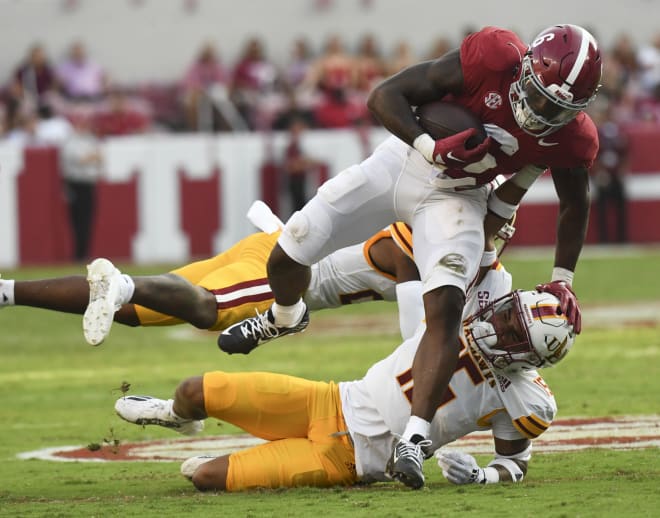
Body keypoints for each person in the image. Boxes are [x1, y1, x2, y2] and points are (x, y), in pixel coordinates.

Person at [217, 24, 602, 490]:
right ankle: (284, 315)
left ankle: (414, 439)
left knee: (445, 305)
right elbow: (384, 96)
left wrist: (563, 277)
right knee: (292, 244)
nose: (543, 113)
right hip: (404, 159)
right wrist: (429, 143)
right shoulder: (492, 55)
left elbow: (575, 202)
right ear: (524, 70)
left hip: (459, 195)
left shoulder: (573, 137)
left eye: (558, 109)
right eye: (540, 98)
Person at [114, 287, 575, 492]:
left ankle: (214, 453)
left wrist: (480, 477)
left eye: (513, 329)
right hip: (331, 398)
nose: (499, 322)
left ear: (529, 357)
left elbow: (514, 464)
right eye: (510, 311)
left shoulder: (524, 397)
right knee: (193, 390)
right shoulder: (466, 302)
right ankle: (176, 416)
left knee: (206, 478)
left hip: (348, 459)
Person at [0, 199, 514, 348]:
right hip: (285, 270)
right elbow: (415, 343)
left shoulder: (451, 243)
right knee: (208, 309)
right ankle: (123, 282)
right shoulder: (417, 245)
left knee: (134, 315)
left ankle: (5, 293)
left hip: (274, 250)